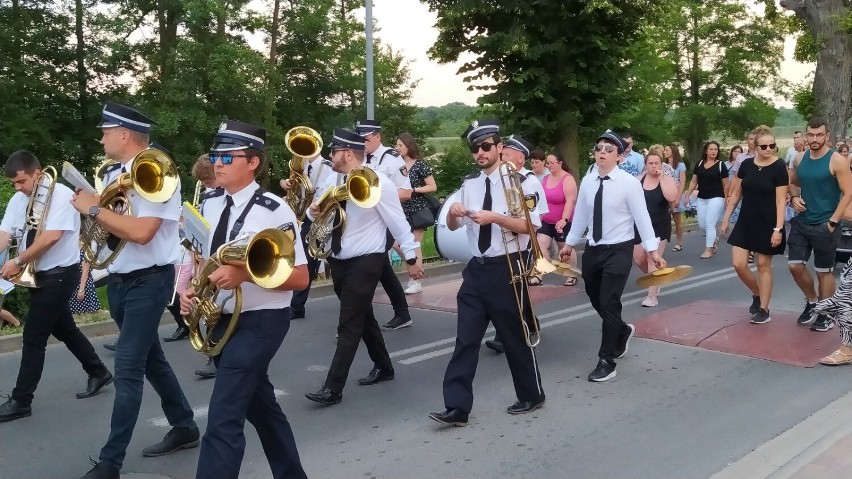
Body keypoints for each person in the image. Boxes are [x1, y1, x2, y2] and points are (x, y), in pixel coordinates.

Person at [72, 103, 198, 479]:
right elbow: (115, 229)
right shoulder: (115, 173)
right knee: (152, 360)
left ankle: (110, 463)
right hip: (121, 281)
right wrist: (95, 212)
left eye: (106, 131)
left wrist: (95, 210)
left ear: (124, 134)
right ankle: (185, 426)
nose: (101, 137)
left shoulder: (155, 171)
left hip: (149, 280)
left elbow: (142, 232)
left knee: (127, 368)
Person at [179, 119, 310, 479]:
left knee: (223, 416)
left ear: (253, 162)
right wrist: (193, 290)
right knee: (261, 407)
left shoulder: (274, 210)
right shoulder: (209, 202)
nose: (217, 162)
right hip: (222, 320)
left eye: (227, 156)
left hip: (262, 320)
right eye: (216, 155)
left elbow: (300, 277)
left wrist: (245, 274)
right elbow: (206, 260)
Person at [428, 119, 546, 427]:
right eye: (475, 148)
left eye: (486, 146)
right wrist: (453, 216)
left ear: (500, 148)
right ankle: (457, 407)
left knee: (514, 336)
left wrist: (495, 217)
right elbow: (458, 226)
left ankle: (532, 394)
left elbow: (530, 227)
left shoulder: (523, 182)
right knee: (465, 339)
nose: (480, 152)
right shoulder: (470, 184)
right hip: (477, 269)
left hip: (507, 265)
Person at [305, 128, 423, 406]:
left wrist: (411, 257)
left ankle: (332, 387)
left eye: (334, 151)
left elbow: (397, 222)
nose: (330, 156)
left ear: (347, 153)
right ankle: (384, 366)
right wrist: (314, 210)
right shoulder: (333, 178)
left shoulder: (377, 182)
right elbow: (317, 208)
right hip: (339, 260)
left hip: (366, 261)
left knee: (348, 324)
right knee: (363, 317)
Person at [0, 150, 113, 424]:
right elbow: (5, 234)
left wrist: (17, 260)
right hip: (40, 275)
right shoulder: (19, 199)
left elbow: (52, 237)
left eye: (22, 181)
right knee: (65, 329)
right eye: (14, 183)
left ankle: (21, 400)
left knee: (33, 336)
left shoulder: (61, 195)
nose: (18, 188)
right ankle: (98, 372)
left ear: (37, 173)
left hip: (61, 275)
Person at [561, 130, 665, 382]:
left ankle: (607, 359)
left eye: (609, 149)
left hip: (619, 248)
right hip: (594, 248)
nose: (602, 153)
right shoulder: (588, 180)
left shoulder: (629, 184)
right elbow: (582, 216)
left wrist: (652, 250)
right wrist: (570, 244)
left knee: (609, 301)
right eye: (598, 148)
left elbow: (642, 218)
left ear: (619, 156)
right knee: (595, 296)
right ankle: (620, 330)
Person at [482, 134, 549, 354]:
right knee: (516, 288)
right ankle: (531, 324)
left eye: (508, 154)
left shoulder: (528, 181)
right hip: (502, 244)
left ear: (520, 158)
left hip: (522, 244)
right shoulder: (499, 178)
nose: (502, 156)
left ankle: (505, 336)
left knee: (512, 289)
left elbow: (537, 219)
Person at [788, 118, 852, 332]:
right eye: (811, 135)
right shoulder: (800, 158)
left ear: (827, 136)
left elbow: (849, 191)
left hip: (826, 223)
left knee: (824, 272)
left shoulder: (836, 160)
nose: (815, 139)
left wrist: (834, 220)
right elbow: (794, 182)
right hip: (802, 221)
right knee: (795, 266)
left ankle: (827, 314)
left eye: (819, 135)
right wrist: (794, 198)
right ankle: (813, 301)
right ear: (806, 136)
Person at [720, 128, 789, 324]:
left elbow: (781, 201)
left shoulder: (779, 167)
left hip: (768, 222)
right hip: (746, 220)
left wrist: (778, 229)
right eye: (764, 146)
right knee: (739, 264)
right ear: (755, 147)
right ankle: (757, 294)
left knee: (762, 265)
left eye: (772, 145)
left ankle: (764, 310)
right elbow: (736, 194)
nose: (769, 149)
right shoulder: (747, 165)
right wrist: (726, 218)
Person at [355, 119, 416, 331]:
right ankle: (401, 313)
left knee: (369, 267)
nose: (362, 143)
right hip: (366, 222)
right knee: (382, 269)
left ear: (378, 136)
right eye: (360, 139)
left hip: (386, 222)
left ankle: (355, 320)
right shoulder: (359, 158)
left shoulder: (391, 158)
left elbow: (405, 192)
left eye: (366, 139)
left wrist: (378, 195)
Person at [282, 149, 333, 318]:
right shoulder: (300, 168)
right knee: (305, 259)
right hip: (303, 217)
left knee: (315, 258)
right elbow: (294, 189)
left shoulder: (327, 167)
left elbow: (330, 193)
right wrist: (284, 183)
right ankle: (296, 306)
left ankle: (296, 306)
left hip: (321, 218)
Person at [189, 154, 222, 379]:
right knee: (210, 310)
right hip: (209, 261)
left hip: (222, 262)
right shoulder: (209, 199)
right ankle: (215, 354)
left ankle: (216, 356)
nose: (206, 187)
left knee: (217, 312)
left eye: (208, 182)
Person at [633, 152, 678, 307]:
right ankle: (656, 277)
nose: (654, 166)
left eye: (657, 163)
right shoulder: (638, 180)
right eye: (650, 163)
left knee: (652, 258)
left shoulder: (667, 179)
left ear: (661, 164)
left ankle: (652, 296)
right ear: (646, 165)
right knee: (639, 258)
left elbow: (672, 198)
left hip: (659, 225)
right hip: (640, 226)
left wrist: (661, 179)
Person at [396, 132, 437, 294]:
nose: (397, 148)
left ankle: (415, 281)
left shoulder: (420, 165)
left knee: (414, 243)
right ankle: (416, 269)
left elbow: (432, 186)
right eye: (396, 145)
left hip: (417, 207)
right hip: (401, 208)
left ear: (409, 146)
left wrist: (413, 190)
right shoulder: (396, 165)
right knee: (398, 242)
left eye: (400, 145)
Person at [535, 152, 578, 287]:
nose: (549, 165)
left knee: (565, 248)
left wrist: (564, 219)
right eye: (547, 163)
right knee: (540, 245)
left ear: (560, 163)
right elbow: (541, 199)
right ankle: (539, 274)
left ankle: (572, 274)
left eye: (552, 163)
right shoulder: (546, 179)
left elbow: (570, 201)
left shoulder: (567, 179)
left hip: (563, 221)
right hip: (546, 220)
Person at [684, 141, 729, 259]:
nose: (714, 151)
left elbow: (726, 184)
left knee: (710, 223)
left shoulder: (720, 165)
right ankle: (714, 238)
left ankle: (708, 249)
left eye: (716, 149)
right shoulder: (699, 164)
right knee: (702, 224)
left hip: (716, 197)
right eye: (711, 149)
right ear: (706, 151)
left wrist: (726, 198)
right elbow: (694, 181)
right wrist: (688, 195)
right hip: (702, 197)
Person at [665, 144, 688, 252]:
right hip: (666, 194)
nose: (665, 152)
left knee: (678, 219)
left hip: (676, 194)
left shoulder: (680, 165)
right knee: (665, 219)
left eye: (666, 150)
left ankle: (679, 242)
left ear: (672, 151)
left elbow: (682, 182)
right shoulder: (663, 165)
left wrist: (678, 198)